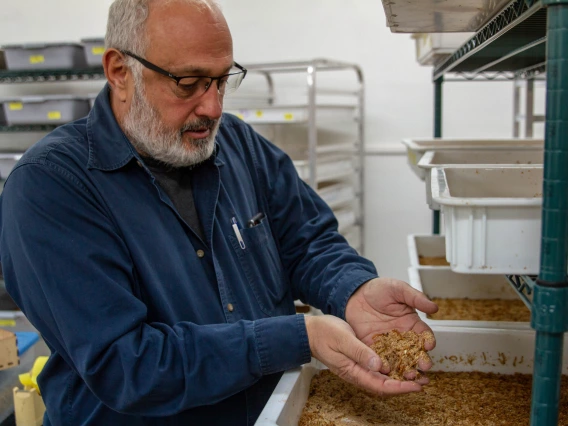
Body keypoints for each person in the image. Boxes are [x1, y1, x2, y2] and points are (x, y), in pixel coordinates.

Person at [0, 0, 438, 424]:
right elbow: (125, 364)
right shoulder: (52, 187)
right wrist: (295, 337)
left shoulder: (239, 148)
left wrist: (353, 290)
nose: (211, 108)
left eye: (221, 81)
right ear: (120, 71)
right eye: (187, 83)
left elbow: (308, 242)